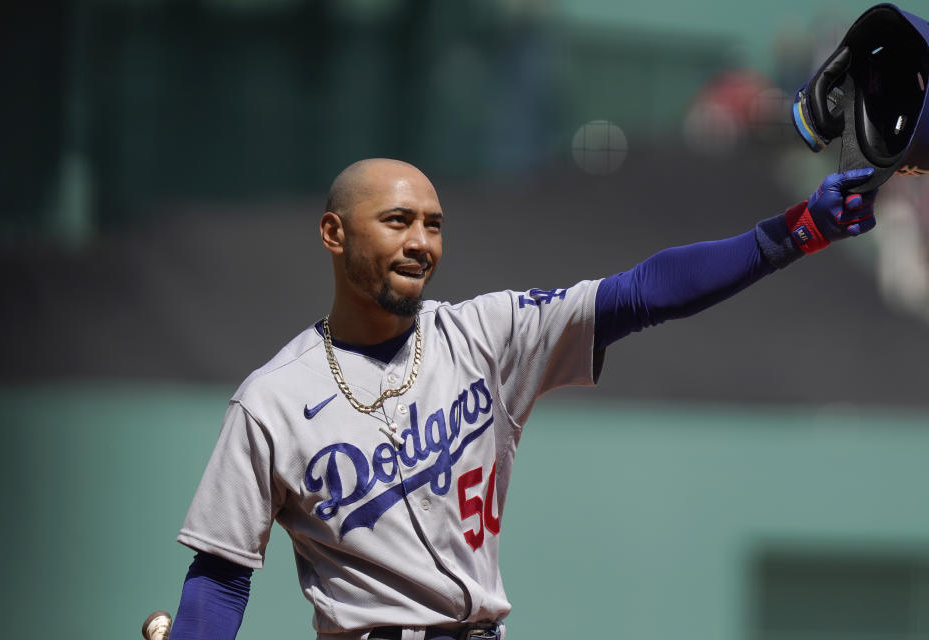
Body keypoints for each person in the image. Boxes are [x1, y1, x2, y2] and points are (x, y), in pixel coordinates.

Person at [169, 158, 877, 640]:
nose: (421, 242)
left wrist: (796, 233)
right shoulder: (271, 400)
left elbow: (641, 293)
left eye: (434, 223)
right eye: (397, 220)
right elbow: (222, 574)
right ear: (334, 233)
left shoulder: (487, 333)